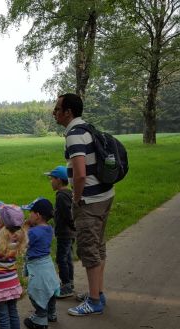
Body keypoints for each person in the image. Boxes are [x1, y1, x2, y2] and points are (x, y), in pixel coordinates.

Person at [53, 93, 114, 316]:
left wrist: (76, 200)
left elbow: (79, 174)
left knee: (89, 249)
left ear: (68, 112)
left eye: (57, 108)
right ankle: (97, 291)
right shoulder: (87, 128)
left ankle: (95, 301)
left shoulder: (74, 135)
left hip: (89, 200)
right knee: (98, 246)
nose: (54, 112)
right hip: (105, 195)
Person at [21, 197, 60, 329]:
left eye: (30, 213)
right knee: (49, 290)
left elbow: (22, 241)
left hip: (38, 267)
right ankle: (51, 313)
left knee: (36, 292)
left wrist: (25, 227)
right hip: (48, 265)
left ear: (37, 215)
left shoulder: (33, 232)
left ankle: (40, 318)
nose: (28, 215)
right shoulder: (49, 228)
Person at [44, 166, 76, 298]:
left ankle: (66, 286)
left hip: (65, 233)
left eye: (52, 179)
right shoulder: (68, 193)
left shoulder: (61, 196)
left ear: (59, 180)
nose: (50, 181)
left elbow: (68, 215)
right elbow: (62, 213)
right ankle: (70, 283)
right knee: (68, 258)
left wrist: (73, 227)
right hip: (69, 233)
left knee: (61, 259)